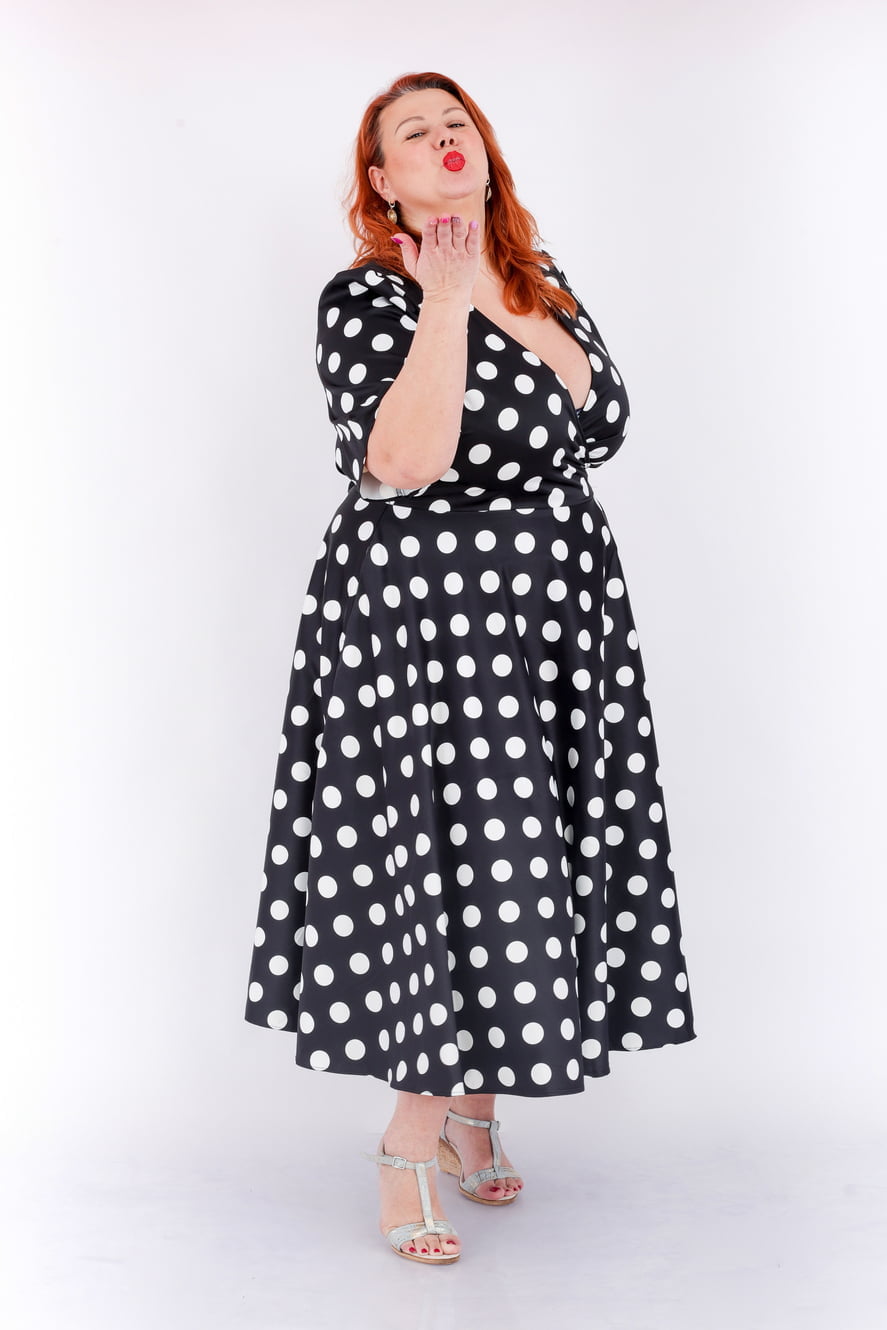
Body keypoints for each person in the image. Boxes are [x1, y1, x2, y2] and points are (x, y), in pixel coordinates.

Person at [244, 71, 697, 1265]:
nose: (444, 140)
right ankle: (409, 1138)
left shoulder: (541, 281)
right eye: (415, 132)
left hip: (553, 611)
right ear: (381, 180)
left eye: (458, 125)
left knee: (521, 851)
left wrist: (486, 285)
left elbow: (597, 430)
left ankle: (472, 1112)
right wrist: (442, 298)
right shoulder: (368, 298)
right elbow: (401, 459)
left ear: (483, 156)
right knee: (447, 854)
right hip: (428, 623)